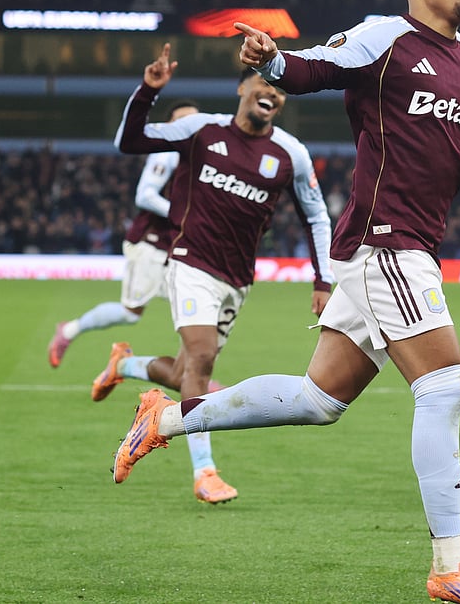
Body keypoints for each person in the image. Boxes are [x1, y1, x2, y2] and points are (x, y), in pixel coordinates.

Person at [108, 0, 460, 602]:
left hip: (395, 246)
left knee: (316, 399)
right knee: (444, 390)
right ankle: (451, 564)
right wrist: (272, 58)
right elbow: (313, 69)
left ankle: (165, 417)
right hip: (389, 242)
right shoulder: (385, 36)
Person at [111, 57, 334, 504]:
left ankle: (123, 365)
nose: (271, 93)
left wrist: (322, 280)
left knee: (184, 371)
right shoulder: (202, 130)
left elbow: (316, 215)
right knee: (203, 360)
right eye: (262, 83)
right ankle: (204, 472)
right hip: (190, 263)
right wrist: (147, 92)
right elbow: (130, 141)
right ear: (241, 89)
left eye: (279, 89)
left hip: (237, 279)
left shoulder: (290, 153)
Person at [47, 100, 199, 369]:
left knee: (195, 308)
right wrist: (183, 215)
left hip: (176, 246)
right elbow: (145, 196)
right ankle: (69, 332)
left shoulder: (198, 158)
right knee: (131, 313)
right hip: (151, 243)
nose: (189, 125)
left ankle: (196, 373)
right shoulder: (167, 153)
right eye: (182, 120)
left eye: (194, 119)